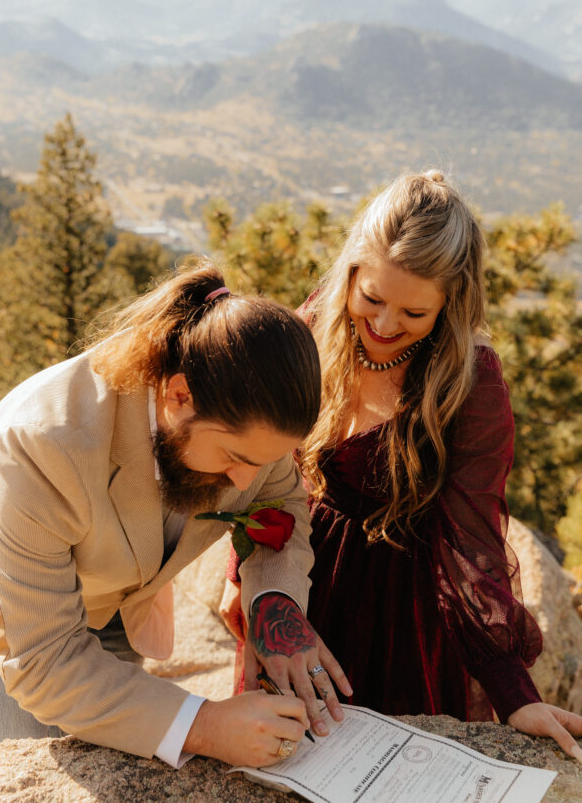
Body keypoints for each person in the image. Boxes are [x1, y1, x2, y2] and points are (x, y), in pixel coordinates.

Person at [0, 261, 351, 768]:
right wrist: (206, 725)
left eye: (263, 461)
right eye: (235, 458)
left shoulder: (241, 424)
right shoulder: (42, 443)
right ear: (180, 395)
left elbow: (280, 501)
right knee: (11, 768)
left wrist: (274, 608)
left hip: (115, 598)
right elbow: (43, 663)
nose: (246, 481)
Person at [223, 172, 582, 761]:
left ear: (451, 303)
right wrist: (250, 580)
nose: (385, 325)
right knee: (277, 762)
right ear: (352, 272)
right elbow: (264, 464)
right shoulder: (313, 326)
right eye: (372, 298)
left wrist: (513, 693)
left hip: (405, 613)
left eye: (414, 312)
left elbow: (474, 543)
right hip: (303, 576)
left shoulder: (471, 382)